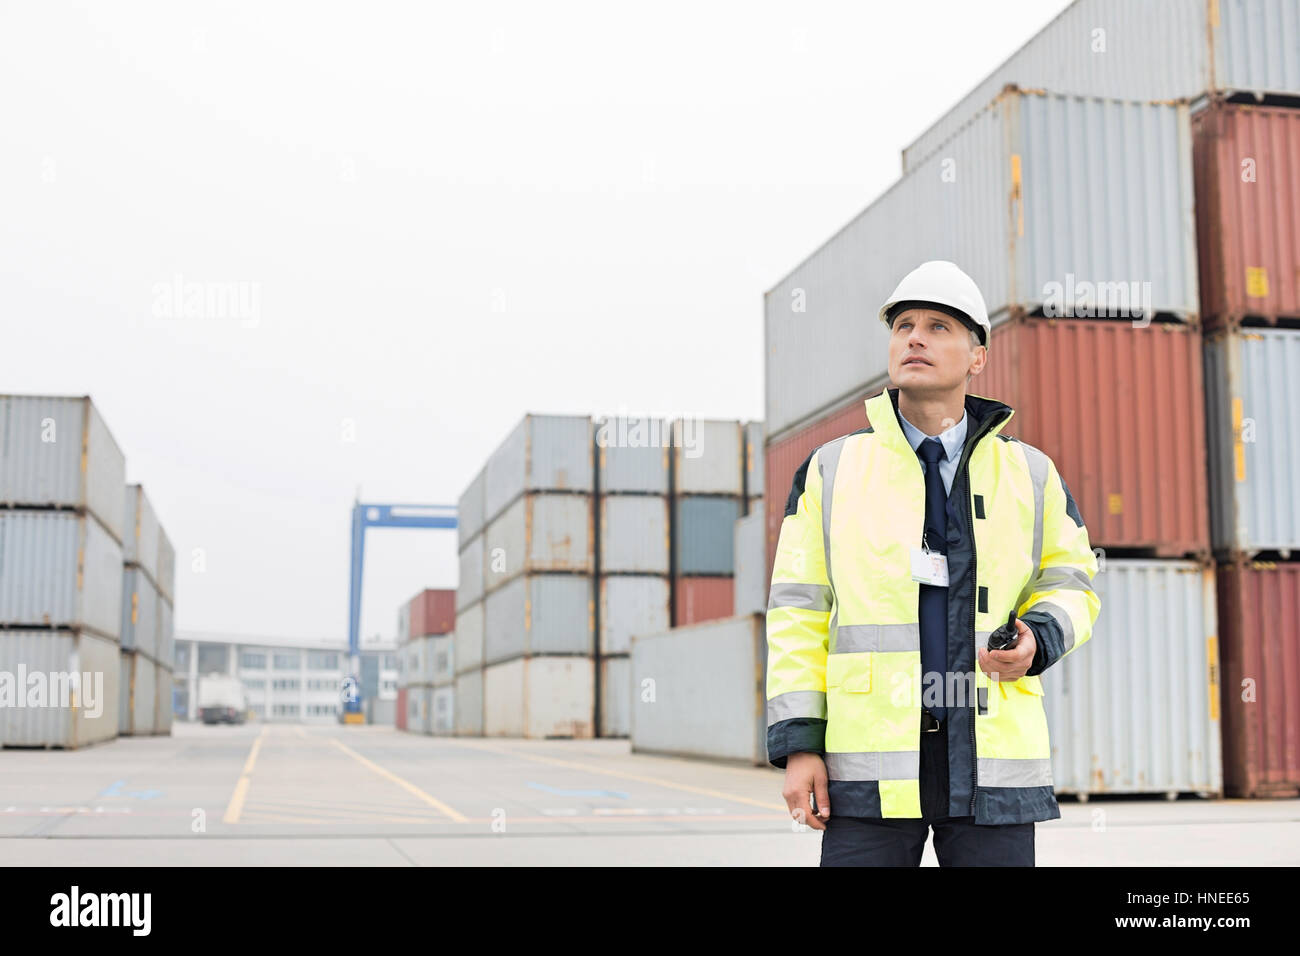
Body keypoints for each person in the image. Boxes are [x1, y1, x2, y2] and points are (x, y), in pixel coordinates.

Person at [765, 260, 1100, 866]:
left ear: (977, 357)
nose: (914, 338)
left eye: (939, 326)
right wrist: (800, 747)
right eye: (904, 326)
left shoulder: (1030, 473)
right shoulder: (830, 470)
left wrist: (1038, 637)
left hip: (990, 775)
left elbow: (1072, 580)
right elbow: (797, 613)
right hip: (867, 774)